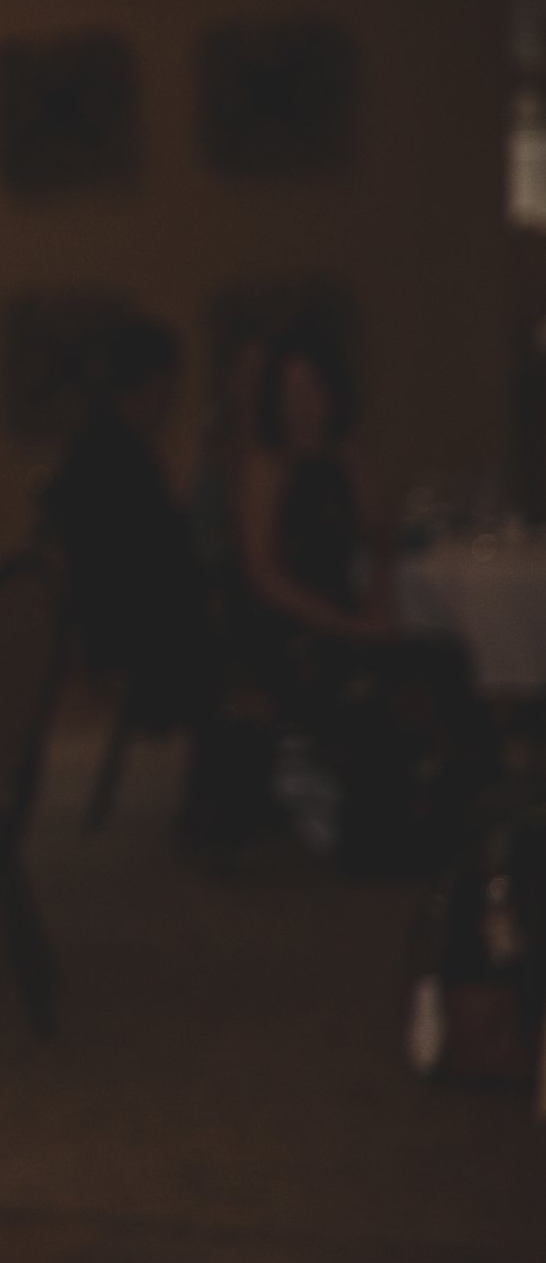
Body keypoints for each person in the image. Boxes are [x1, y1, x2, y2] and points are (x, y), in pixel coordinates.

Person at [233, 329, 487, 870]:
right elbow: (262, 573)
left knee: (445, 660)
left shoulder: (346, 455)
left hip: (344, 613)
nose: (304, 405)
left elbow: (379, 542)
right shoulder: (267, 463)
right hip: (286, 627)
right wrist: (344, 626)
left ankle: (459, 820)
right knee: (363, 686)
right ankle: (371, 835)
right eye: (291, 391)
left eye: (313, 389)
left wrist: (378, 610)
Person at [42, 317, 212, 727]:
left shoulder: (98, 444)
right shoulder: (121, 454)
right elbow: (158, 558)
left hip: (116, 631)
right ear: (155, 382)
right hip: (136, 637)